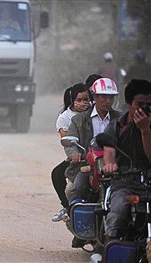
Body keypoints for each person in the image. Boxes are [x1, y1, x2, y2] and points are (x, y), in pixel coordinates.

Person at [64, 77, 121, 248]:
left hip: (115, 166)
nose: (107, 100)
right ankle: (79, 228)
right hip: (87, 166)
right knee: (77, 188)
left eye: (111, 97)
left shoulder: (120, 118)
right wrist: (74, 154)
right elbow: (71, 144)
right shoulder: (79, 119)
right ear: (94, 97)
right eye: (103, 96)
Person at [102, 79, 151, 240]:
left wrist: (145, 130)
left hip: (148, 181)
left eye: (149, 104)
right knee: (118, 210)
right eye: (140, 104)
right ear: (130, 104)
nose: (145, 108)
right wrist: (110, 164)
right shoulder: (117, 126)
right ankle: (111, 246)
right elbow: (109, 149)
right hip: (124, 182)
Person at [51, 83, 90, 222]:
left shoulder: (94, 112)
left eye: (86, 99)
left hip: (99, 155)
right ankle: (69, 207)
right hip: (79, 157)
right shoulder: (66, 118)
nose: (83, 103)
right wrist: (74, 154)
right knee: (58, 174)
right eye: (79, 100)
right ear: (72, 100)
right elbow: (67, 141)